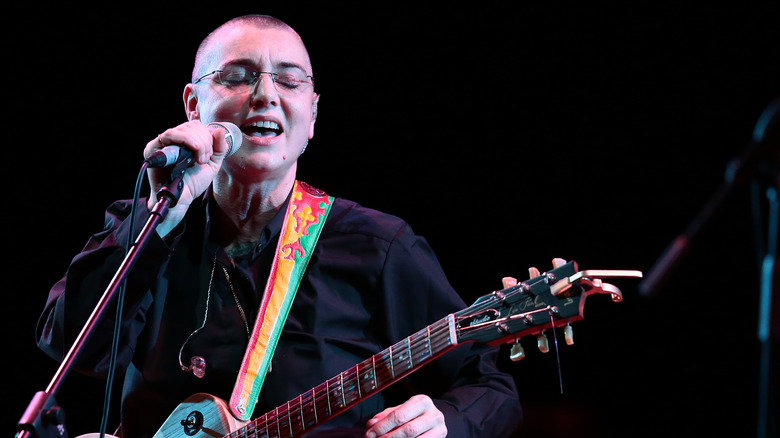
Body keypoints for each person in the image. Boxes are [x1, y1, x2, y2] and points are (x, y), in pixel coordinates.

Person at [36, 14, 522, 438]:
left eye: (289, 82)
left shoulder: (378, 246)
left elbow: (488, 385)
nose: (265, 95)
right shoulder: (148, 225)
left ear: (311, 114)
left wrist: (445, 421)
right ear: (192, 105)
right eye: (237, 77)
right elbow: (67, 349)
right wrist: (162, 215)